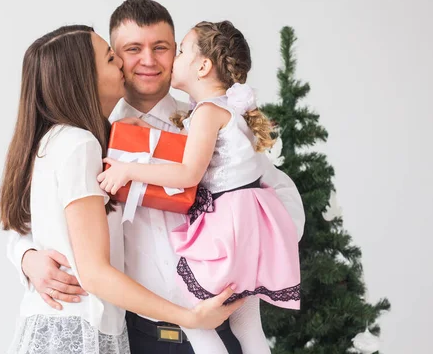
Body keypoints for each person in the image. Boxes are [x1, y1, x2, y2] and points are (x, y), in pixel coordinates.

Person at [8, 0, 305, 354]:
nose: (148, 60)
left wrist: (244, 244)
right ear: (114, 58)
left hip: (216, 324)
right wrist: (27, 257)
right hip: (134, 334)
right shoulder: (90, 137)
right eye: (132, 49)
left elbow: (273, 194)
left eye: (163, 48)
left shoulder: (207, 124)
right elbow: (33, 218)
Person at [99, 20, 301, 352]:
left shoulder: (206, 114)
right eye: (133, 49)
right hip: (246, 232)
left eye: (172, 50)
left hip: (229, 231)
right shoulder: (227, 111)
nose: (152, 60)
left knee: (192, 311)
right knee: (248, 324)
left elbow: (188, 174)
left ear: (203, 66)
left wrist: (129, 169)